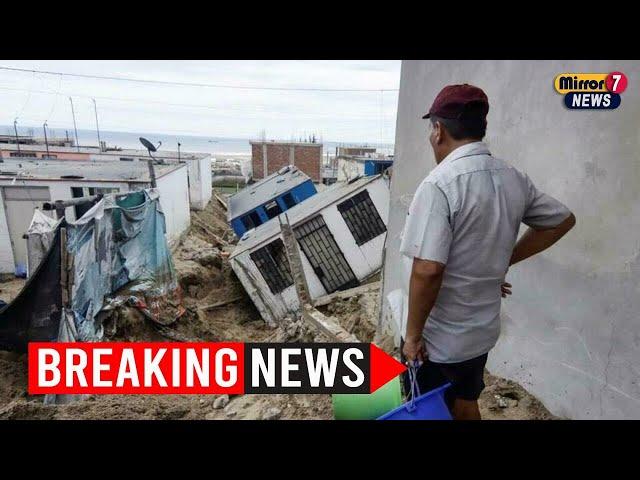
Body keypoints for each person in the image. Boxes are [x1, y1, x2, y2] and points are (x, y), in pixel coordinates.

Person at [399, 84, 576, 420]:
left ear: (438, 130)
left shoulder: (439, 184)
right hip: (480, 333)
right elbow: (561, 220)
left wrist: (412, 337)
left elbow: (428, 270)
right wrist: (500, 261)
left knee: (425, 407)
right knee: (466, 401)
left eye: (430, 128)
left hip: (440, 340)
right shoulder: (512, 178)